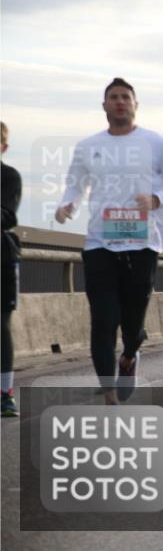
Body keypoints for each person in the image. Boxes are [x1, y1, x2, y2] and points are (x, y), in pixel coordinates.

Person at [56, 78, 163, 404]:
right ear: (104, 105)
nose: (119, 102)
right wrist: (67, 205)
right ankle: (110, 393)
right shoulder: (88, 146)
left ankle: (129, 356)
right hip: (99, 244)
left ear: (135, 105)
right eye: (113, 97)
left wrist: (157, 199)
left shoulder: (156, 144)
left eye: (125, 97)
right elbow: (75, 187)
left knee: (133, 325)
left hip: (142, 245)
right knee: (103, 319)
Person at [1, 122, 22, 416]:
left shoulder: (8, 176)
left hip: (2, 260)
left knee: (0, 325)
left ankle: (4, 393)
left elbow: (7, 215)